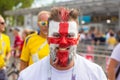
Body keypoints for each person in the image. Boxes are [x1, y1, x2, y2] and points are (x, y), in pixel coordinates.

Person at [18, 7, 107, 80]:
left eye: (69, 35)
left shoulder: (96, 74)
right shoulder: (27, 76)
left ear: (78, 38)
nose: (63, 42)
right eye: (56, 35)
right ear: (48, 39)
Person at [0, 15, 11, 80]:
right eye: (2, 23)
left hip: (2, 71)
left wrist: (7, 58)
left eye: (4, 23)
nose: (4, 25)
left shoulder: (6, 38)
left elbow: (9, 51)